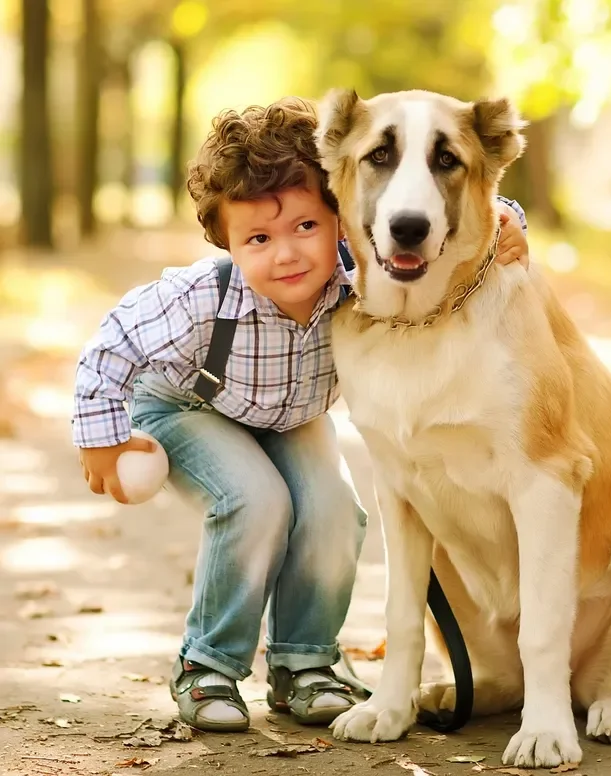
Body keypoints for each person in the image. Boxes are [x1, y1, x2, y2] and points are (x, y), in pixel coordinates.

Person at [72, 97, 530, 732]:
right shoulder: (201, 299)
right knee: (256, 500)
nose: (286, 255)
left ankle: (304, 663)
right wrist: (100, 441)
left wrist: (509, 217)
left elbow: (448, 203)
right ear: (225, 240)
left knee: (337, 510)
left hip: (289, 416)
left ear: (342, 217)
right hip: (187, 406)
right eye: (257, 238)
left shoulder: (357, 276)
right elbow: (111, 344)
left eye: (306, 228)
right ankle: (209, 665)